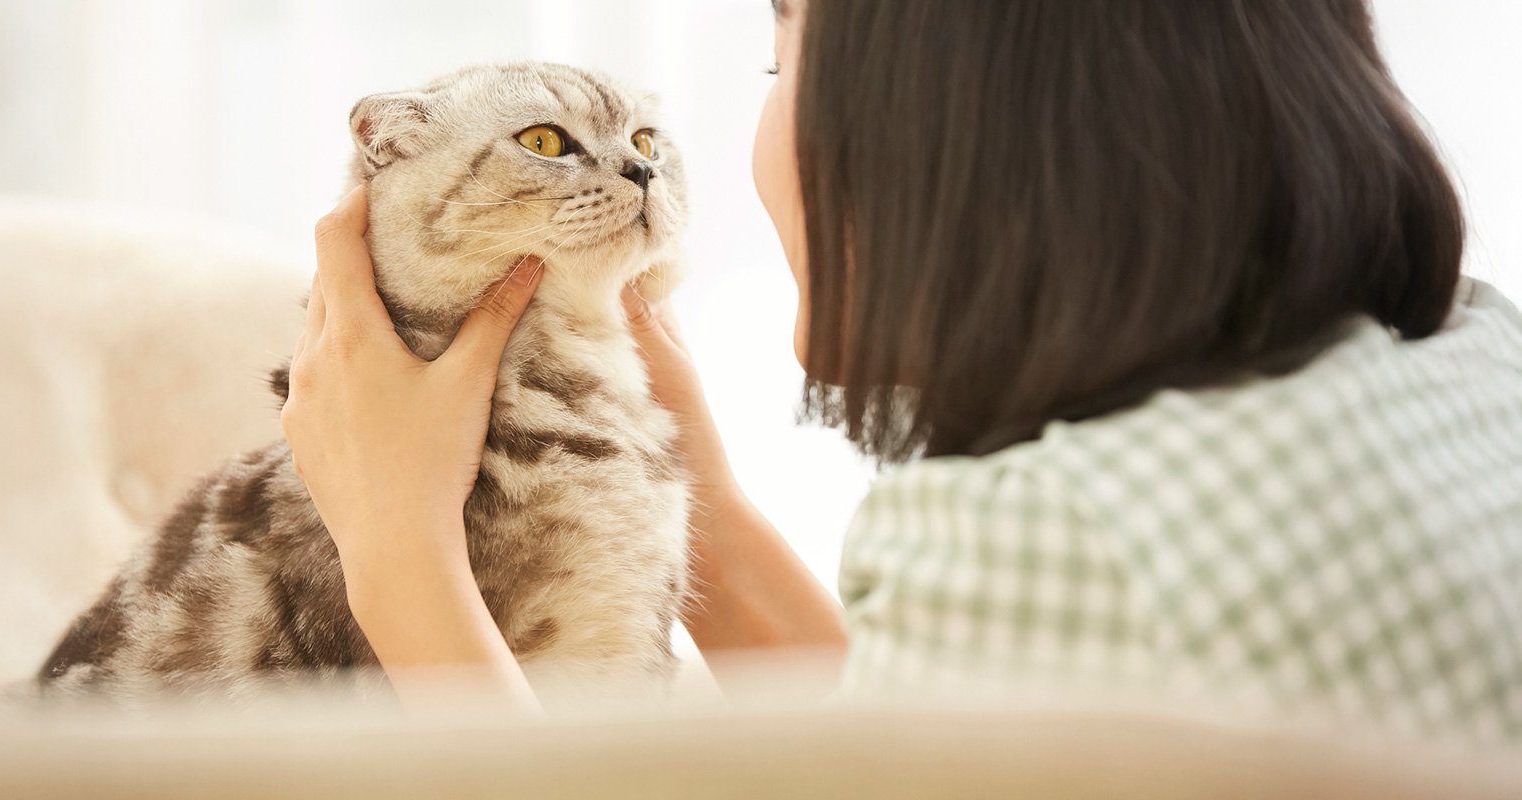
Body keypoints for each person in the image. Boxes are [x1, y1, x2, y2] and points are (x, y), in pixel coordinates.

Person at [283, 0, 1522, 740]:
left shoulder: (1045, 533)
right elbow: (935, 734)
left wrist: (401, 561)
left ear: (951, 126)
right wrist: (692, 494)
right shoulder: (1477, 350)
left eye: (783, 65)